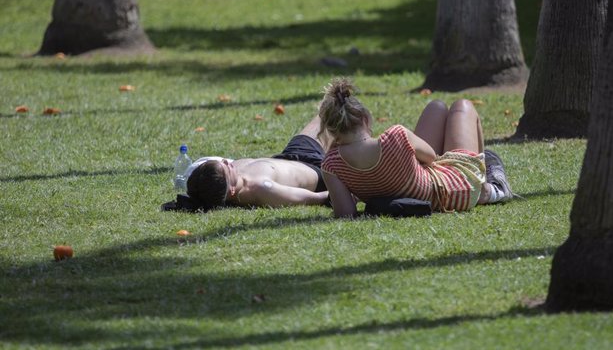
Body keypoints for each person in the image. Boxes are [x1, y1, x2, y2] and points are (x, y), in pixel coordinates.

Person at [318, 78, 515, 218]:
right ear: (365, 118)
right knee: (462, 106)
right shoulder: (395, 136)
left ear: (333, 131)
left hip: (419, 188)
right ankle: (489, 188)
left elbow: (346, 213)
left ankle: (485, 179)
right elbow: (431, 157)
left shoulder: (332, 164)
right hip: (454, 190)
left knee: (436, 107)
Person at [171, 115, 331, 211]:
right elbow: (314, 198)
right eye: (225, 168)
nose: (226, 162)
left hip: (289, 156)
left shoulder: (223, 181)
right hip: (319, 168)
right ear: (231, 190)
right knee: (340, 118)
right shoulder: (261, 188)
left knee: (329, 109)